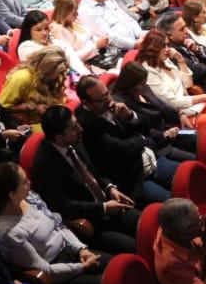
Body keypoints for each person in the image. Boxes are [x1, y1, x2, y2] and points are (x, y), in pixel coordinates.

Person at [32, 105, 140, 254]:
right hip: (91, 221)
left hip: (109, 205)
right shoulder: (44, 166)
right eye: (74, 127)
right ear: (59, 137)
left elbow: (94, 171)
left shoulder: (74, 141)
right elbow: (61, 206)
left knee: (147, 225)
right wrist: (103, 208)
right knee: (137, 248)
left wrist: (110, 187)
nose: (80, 129)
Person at [75, 75, 187, 207]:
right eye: (101, 99)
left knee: (191, 179)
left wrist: (130, 115)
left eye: (107, 94)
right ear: (86, 103)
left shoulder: (115, 104)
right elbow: (123, 149)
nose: (108, 100)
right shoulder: (86, 127)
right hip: (136, 179)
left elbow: (147, 125)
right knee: (178, 206)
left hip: (154, 159)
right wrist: (141, 139)